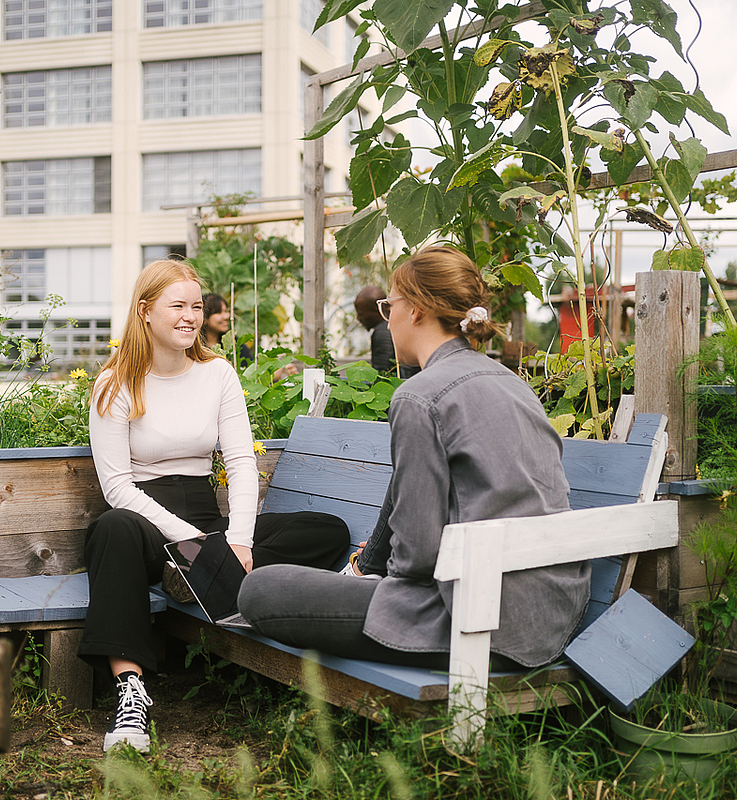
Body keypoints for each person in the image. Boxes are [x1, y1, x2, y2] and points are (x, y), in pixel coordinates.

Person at [238, 246, 589, 672]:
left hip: (476, 616)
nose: (388, 317)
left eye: (390, 305)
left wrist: (379, 573)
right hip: (550, 612)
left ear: (417, 310)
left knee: (261, 589)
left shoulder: (419, 396)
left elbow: (419, 557)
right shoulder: (514, 385)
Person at [81, 260, 348, 753]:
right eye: (176, 305)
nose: (190, 316)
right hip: (146, 522)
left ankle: (199, 576)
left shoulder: (217, 373)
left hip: (209, 519)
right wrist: (193, 541)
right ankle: (130, 692)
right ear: (144, 311)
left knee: (325, 528)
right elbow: (117, 486)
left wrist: (238, 539)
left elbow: (243, 461)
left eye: (196, 306)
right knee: (111, 529)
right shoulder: (114, 383)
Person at [355, 285, 418, 378]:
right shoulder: (399, 326)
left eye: (361, 314)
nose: (359, 318)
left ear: (378, 309)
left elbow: (382, 374)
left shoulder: (382, 332)